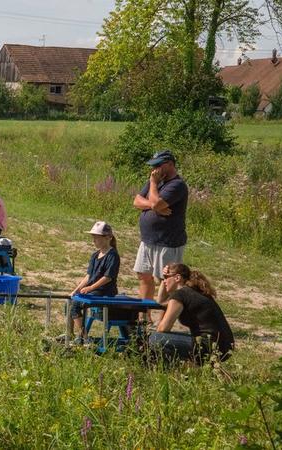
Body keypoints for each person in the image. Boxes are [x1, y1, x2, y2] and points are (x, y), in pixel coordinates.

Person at [132, 149, 188, 303]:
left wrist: (153, 191)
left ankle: (163, 320)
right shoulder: (155, 182)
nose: (154, 170)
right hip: (148, 239)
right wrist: (154, 205)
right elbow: (136, 201)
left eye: (158, 165)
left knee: (166, 280)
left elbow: (157, 203)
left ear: (170, 164)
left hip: (168, 241)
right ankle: (145, 315)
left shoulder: (177, 185)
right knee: (143, 275)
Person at [150, 263, 234, 363]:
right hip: (224, 347)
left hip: (210, 346)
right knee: (160, 338)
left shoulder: (180, 294)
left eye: (166, 277)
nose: (164, 282)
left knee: (155, 338)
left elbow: (163, 328)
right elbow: (161, 302)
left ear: (177, 277)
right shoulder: (193, 291)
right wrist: (165, 279)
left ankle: (169, 369)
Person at [68, 221, 121, 342]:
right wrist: (75, 290)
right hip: (93, 291)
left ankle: (84, 337)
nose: (94, 240)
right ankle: (69, 334)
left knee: (76, 305)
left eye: (97, 237)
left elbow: (108, 277)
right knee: (70, 301)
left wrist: (90, 288)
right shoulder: (95, 255)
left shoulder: (113, 255)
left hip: (105, 291)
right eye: (93, 237)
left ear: (108, 238)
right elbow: (88, 276)